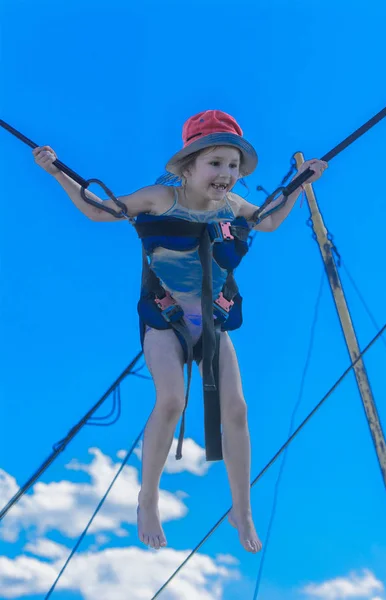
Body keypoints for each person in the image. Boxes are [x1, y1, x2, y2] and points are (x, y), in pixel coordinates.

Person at [33, 109, 328, 554]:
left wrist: (300, 183)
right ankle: (147, 498)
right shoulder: (159, 198)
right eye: (215, 164)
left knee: (238, 411)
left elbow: (267, 220)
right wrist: (55, 170)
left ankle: (241, 508)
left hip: (211, 323)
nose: (226, 174)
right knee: (171, 400)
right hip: (164, 318)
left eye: (233, 166)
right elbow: (98, 211)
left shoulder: (233, 207)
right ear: (187, 168)